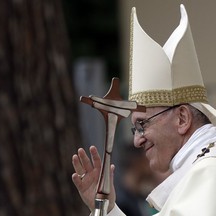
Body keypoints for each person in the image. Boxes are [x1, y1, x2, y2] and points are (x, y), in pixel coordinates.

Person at [72, 4, 216, 216]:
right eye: (135, 129)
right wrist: (106, 209)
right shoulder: (199, 171)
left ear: (182, 119)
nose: (137, 141)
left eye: (142, 125)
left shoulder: (208, 173)